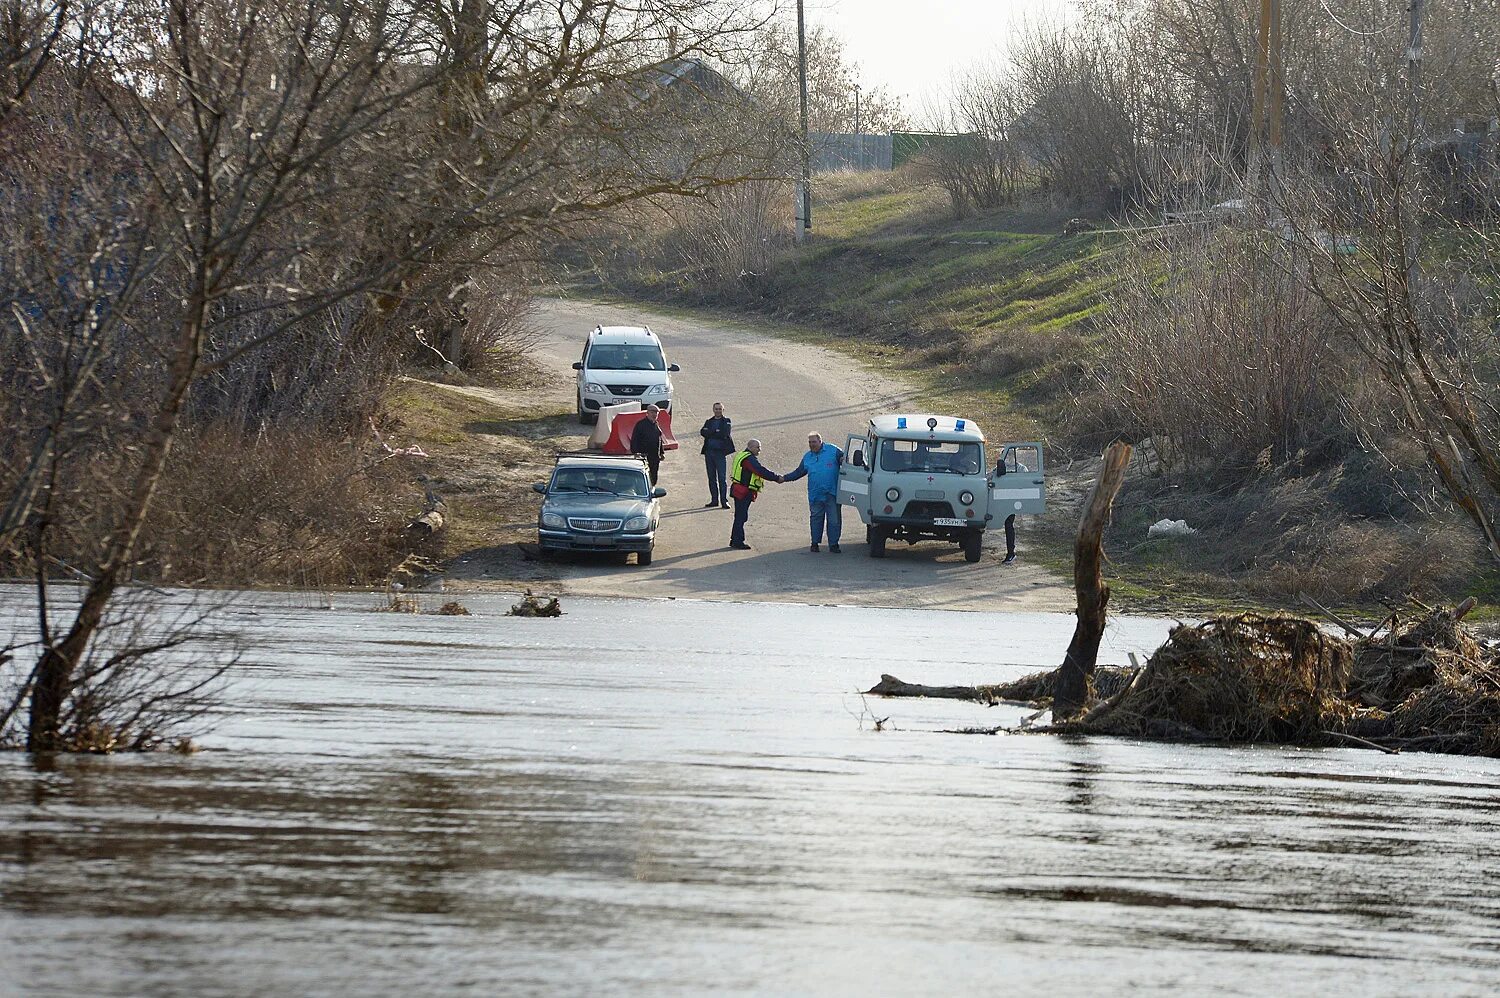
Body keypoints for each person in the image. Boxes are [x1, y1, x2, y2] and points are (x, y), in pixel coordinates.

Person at [781, 431, 845, 553]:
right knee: (816, 519)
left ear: (820, 441)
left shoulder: (833, 450)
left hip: (832, 494)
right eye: (809, 442)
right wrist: (784, 478)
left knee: (834, 521)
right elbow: (798, 472)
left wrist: (843, 460)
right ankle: (814, 543)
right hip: (816, 495)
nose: (811, 444)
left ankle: (834, 544)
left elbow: (845, 462)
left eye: (814, 442)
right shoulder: (807, 457)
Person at [727, 438, 781, 550]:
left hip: (738, 489)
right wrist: (776, 477)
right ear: (751, 447)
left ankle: (734, 539)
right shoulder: (749, 459)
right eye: (758, 447)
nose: (759, 450)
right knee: (741, 517)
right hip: (743, 491)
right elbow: (760, 471)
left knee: (739, 516)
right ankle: (738, 541)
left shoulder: (741, 454)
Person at [698, 401, 734, 509]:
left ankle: (724, 501)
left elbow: (724, 433)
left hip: (720, 453)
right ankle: (714, 500)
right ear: (713, 410)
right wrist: (714, 432)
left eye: (720, 409)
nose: (718, 411)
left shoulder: (726, 421)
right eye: (716, 409)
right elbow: (702, 432)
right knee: (711, 478)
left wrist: (711, 432)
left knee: (722, 478)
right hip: (709, 452)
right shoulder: (709, 421)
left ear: (723, 410)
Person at [629, 404, 665, 485]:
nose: (654, 415)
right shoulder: (641, 425)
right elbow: (634, 439)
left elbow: (659, 439)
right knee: (643, 476)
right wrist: (635, 452)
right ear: (647, 413)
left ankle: (652, 489)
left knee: (654, 475)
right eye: (652, 412)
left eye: (656, 413)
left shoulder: (656, 424)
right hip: (644, 456)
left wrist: (662, 452)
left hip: (655, 456)